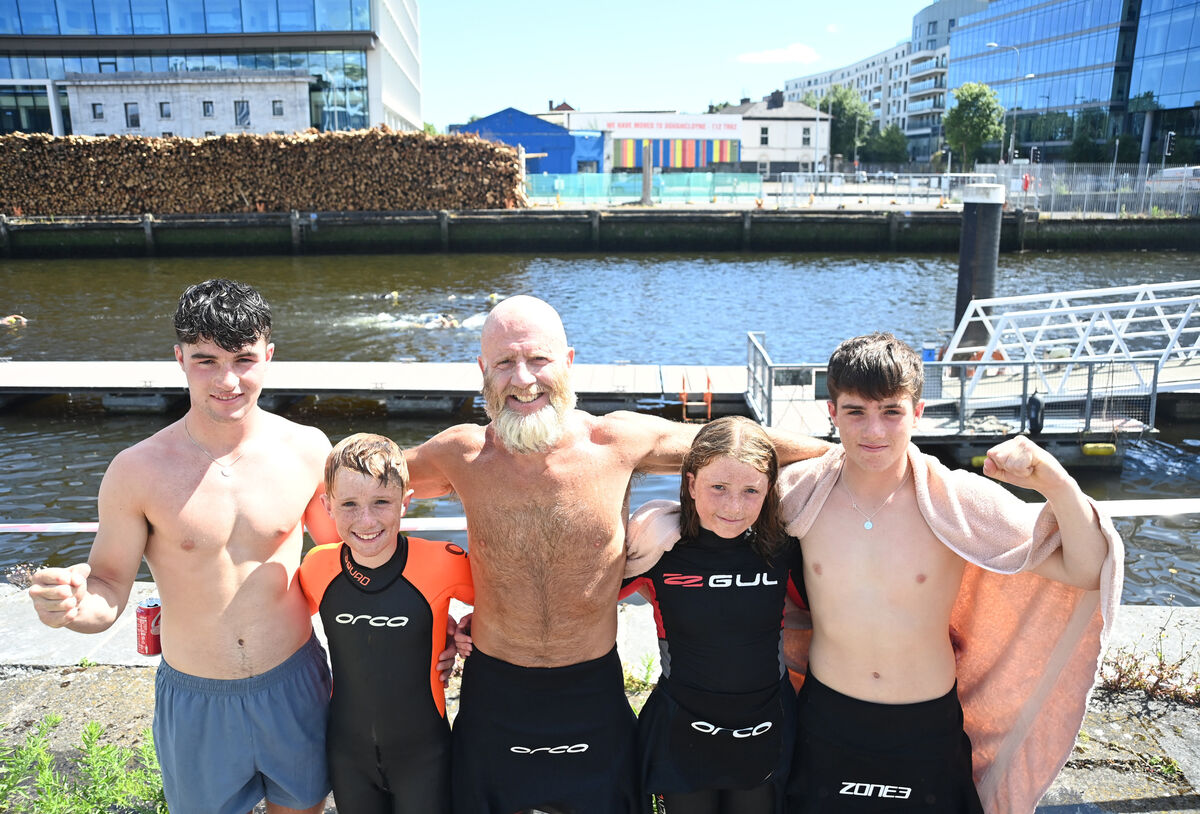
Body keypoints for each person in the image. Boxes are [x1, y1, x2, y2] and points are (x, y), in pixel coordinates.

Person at [403, 294, 831, 814]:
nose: (522, 379)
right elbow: (363, 484)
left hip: (591, 686)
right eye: (504, 363)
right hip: (496, 685)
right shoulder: (461, 453)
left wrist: (850, 450)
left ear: (568, 362)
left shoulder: (616, 442)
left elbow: (732, 448)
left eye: (538, 359)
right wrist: (428, 619)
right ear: (482, 370)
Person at [28, 278, 343, 814]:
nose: (228, 380)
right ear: (178, 358)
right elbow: (107, 587)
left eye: (243, 359)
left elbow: (349, 562)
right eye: (206, 361)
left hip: (295, 683)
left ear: (269, 356)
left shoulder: (309, 450)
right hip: (197, 698)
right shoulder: (137, 470)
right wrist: (71, 608)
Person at [773, 333, 1123, 813]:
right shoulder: (799, 493)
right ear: (832, 413)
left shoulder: (957, 500)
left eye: (891, 412)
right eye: (855, 412)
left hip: (925, 724)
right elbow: (722, 512)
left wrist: (1055, 482)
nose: (873, 430)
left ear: (917, 413)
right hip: (827, 716)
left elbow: (1086, 572)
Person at [623, 416, 800, 814]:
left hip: (766, 733)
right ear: (690, 483)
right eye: (718, 487)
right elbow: (580, 605)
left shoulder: (783, 553)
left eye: (750, 490)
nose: (733, 507)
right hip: (679, 735)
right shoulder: (658, 552)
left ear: (769, 489)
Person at [299, 433, 473, 814]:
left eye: (382, 502)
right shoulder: (317, 567)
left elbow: (504, 605)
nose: (366, 520)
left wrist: (466, 626)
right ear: (327, 506)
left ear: (405, 502)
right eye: (349, 504)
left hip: (424, 754)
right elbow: (281, 627)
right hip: (348, 754)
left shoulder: (444, 561)